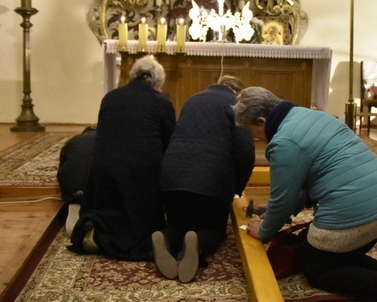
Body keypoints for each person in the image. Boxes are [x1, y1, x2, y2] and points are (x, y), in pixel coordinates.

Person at [234, 87, 377, 302]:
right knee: (333, 256)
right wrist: (282, 207)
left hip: (356, 215)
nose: (255, 137)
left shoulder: (284, 141)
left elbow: (282, 198)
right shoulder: (312, 115)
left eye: (253, 130)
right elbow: (308, 181)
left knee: (318, 269)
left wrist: (264, 229)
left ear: (261, 120)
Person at [69, 55, 176, 261]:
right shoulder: (162, 103)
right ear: (158, 84)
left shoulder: (110, 98)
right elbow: (169, 143)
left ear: (132, 76)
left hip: (103, 173)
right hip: (141, 177)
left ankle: (97, 232)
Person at [153, 76, 255, 283]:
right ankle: (198, 244)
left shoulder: (193, 99)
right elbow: (245, 153)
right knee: (213, 228)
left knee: (177, 222)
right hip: (211, 178)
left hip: (172, 173)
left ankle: (167, 238)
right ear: (239, 92)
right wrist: (237, 187)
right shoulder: (238, 105)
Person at [56, 126, 96, 235]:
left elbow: (62, 167)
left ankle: (75, 204)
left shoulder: (72, 141)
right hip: (97, 190)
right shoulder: (108, 139)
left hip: (73, 189)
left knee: (76, 203)